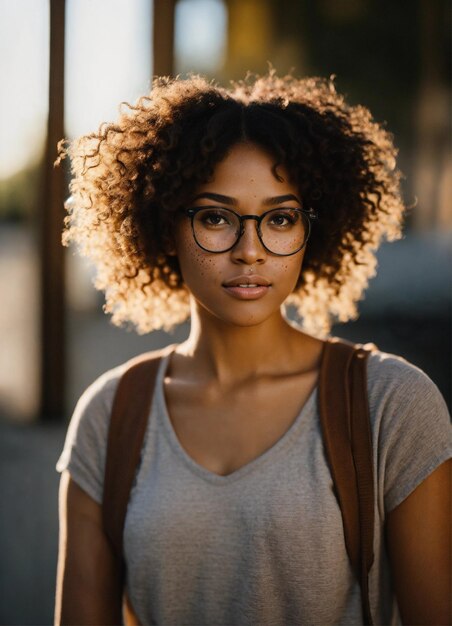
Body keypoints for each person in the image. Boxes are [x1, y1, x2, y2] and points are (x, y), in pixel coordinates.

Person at [54, 72, 451, 626]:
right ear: (166, 225)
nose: (250, 251)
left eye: (280, 219)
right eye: (215, 217)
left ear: (311, 229)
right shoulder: (109, 417)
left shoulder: (392, 405)